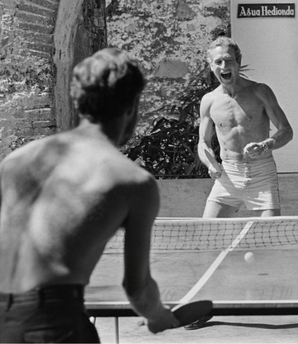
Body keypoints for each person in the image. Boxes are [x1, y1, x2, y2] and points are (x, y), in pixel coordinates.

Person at [0, 48, 181, 342]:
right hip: (54, 325)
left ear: (78, 101)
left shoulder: (16, 161)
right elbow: (137, 289)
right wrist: (159, 316)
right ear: (132, 106)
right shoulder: (133, 181)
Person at [198, 36, 293, 218]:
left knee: (269, 236)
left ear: (238, 62)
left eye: (229, 61)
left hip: (262, 173)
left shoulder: (260, 91)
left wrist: (265, 145)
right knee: (207, 233)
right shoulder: (209, 101)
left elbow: (286, 131)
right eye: (218, 62)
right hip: (228, 175)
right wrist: (210, 164)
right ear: (211, 66)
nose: (224, 66)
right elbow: (203, 142)